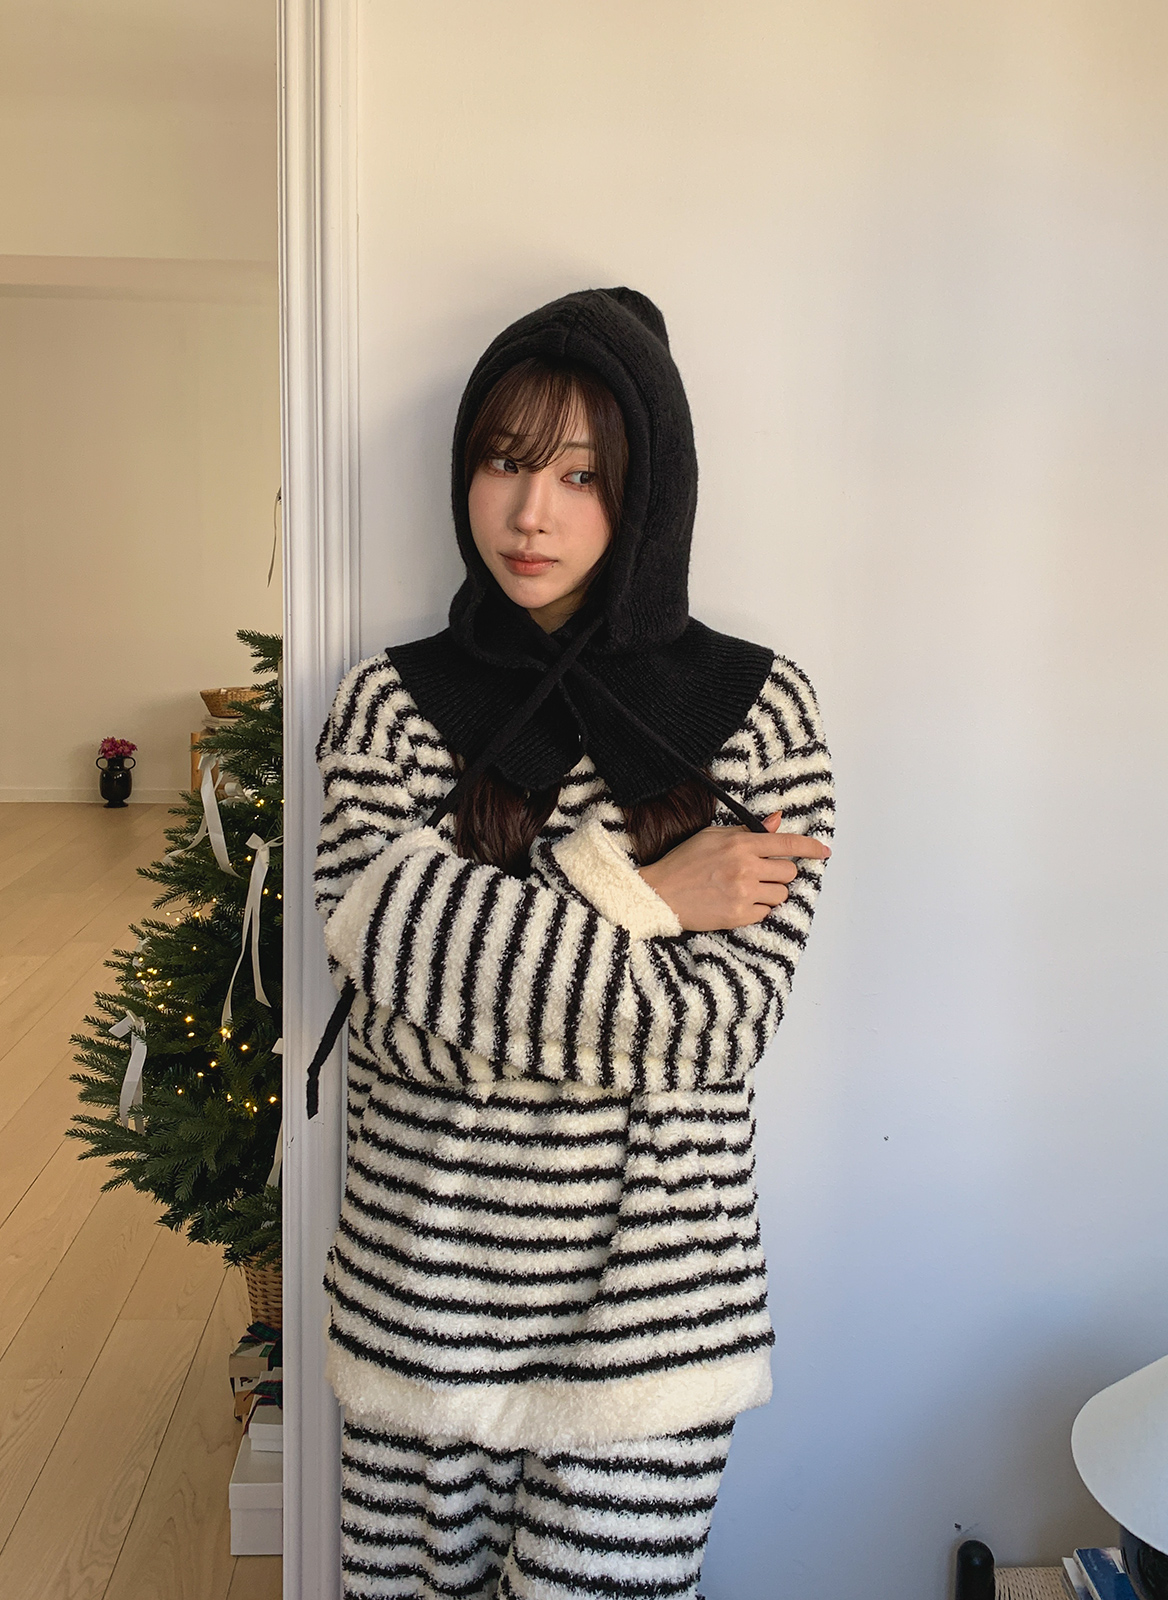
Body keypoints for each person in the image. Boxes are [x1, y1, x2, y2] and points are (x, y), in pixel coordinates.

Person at [313, 287, 835, 1599]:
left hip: (652, 1314)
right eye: (504, 461)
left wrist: (462, 954)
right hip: (420, 1302)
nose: (529, 513)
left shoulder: (758, 713)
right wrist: (647, 896)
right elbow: (381, 971)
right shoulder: (389, 706)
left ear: (648, 494)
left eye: (581, 475)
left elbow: (719, 1025)